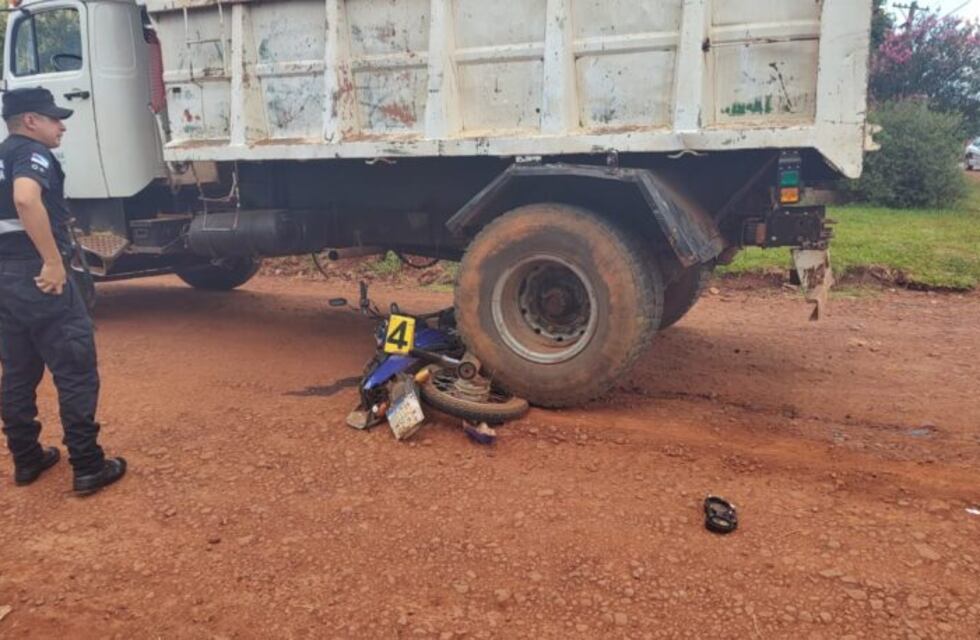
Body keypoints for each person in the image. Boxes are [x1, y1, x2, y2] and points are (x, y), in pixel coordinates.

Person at [0, 87, 125, 496]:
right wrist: (52, 261)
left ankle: (26, 457)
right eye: (54, 118)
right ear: (30, 121)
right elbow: (25, 198)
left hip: (4, 278)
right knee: (74, 365)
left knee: (18, 369)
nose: (62, 126)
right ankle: (88, 465)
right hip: (36, 275)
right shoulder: (28, 154)